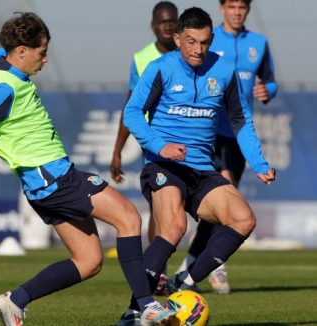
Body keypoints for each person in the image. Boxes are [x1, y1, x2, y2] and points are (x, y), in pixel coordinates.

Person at [0, 11, 175, 326]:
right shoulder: (2, 91)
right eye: (42, 52)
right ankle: (143, 307)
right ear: (22, 52)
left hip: (43, 185)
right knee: (129, 217)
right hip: (55, 178)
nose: (46, 60)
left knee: (89, 261)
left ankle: (14, 302)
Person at [120, 6, 275, 324]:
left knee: (243, 219)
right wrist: (159, 145)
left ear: (211, 39)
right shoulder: (160, 68)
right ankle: (135, 311)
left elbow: (239, 120)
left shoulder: (224, 70)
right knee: (175, 227)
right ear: (177, 38)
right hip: (163, 166)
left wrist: (258, 162)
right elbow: (133, 113)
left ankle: (185, 281)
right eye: (191, 41)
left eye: (204, 42)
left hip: (204, 170)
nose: (197, 49)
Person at [175, 0, 278, 294]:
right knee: (225, 195)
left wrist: (267, 90)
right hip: (210, 133)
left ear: (247, 9)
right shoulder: (207, 40)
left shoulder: (259, 43)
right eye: (232, 6)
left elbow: (270, 81)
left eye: (242, 7)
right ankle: (216, 268)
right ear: (222, 8)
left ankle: (188, 269)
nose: (237, 11)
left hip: (237, 135)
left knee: (223, 208)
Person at [110, 0, 178, 297]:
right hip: (156, 144)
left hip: (190, 142)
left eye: (172, 20)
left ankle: (192, 268)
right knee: (160, 208)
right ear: (153, 26)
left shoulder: (190, 52)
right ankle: (159, 274)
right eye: (162, 21)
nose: (167, 25)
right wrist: (117, 150)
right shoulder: (141, 59)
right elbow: (131, 106)